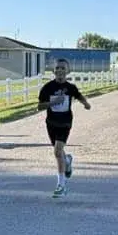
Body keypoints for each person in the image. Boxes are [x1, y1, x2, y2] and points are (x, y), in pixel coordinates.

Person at [37, 58, 91, 197]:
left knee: (57, 151)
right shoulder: (47, 88)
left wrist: (86, 104)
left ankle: (61, 185)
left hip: (65, 123)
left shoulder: (70, 87)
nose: (60, 70)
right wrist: (52, 102)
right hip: (51, 123)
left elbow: (79, 96)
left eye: (63, 68)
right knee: (58, 151)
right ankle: (67, 160)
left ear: (68, 71)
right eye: (58, 68)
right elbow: (39, 106)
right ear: (53, 71)